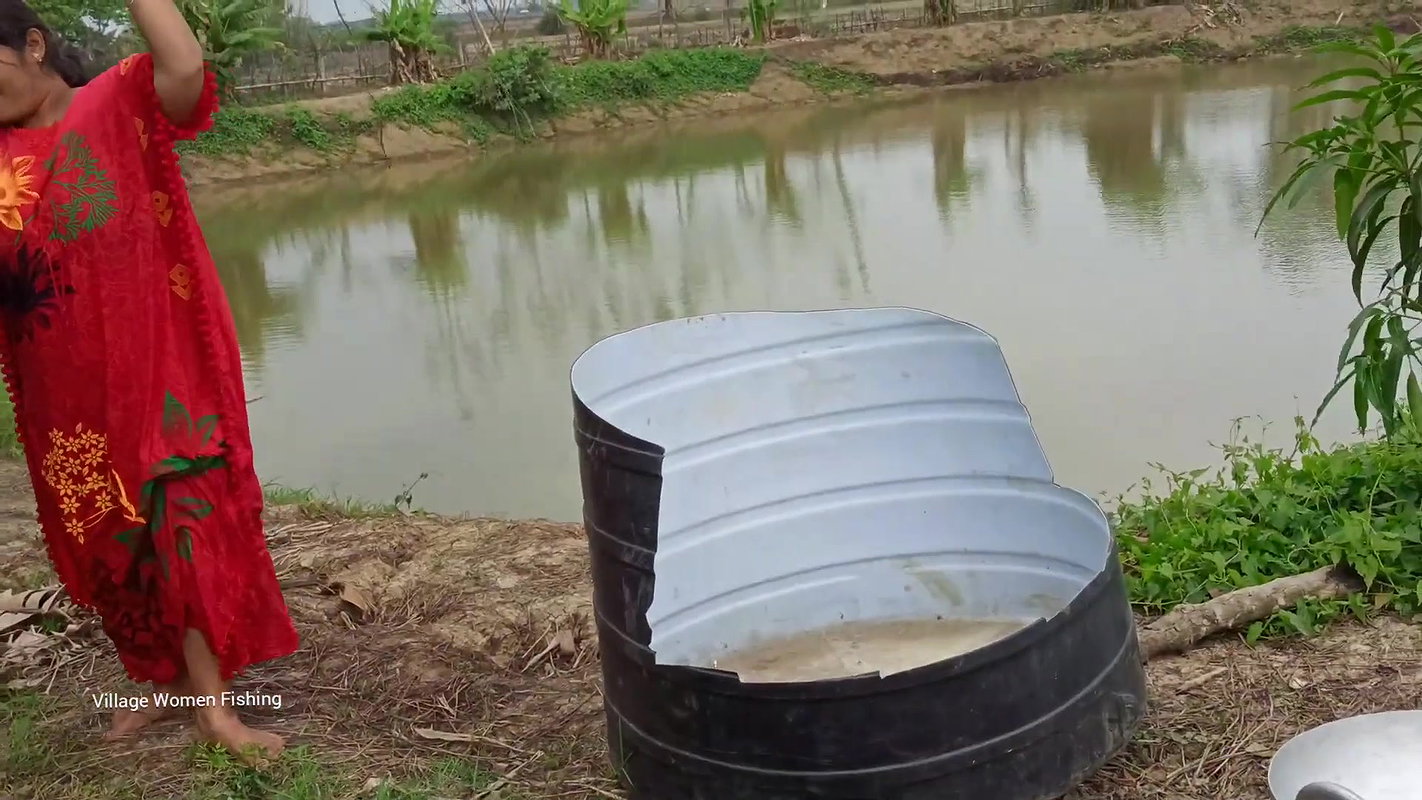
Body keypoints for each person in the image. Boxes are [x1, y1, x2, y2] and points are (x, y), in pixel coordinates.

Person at [0, 0, 298, 760]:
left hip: (159, 360)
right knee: (111, 536)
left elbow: (186, 67)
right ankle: (166, 682)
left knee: (177, 515)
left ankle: (215, 712)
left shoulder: (118, 99)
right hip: (63, 389)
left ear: (33, 45)